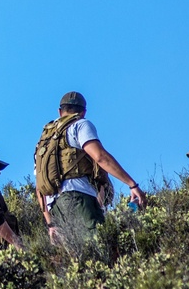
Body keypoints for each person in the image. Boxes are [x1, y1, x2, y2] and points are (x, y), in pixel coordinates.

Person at [36, 91, 146, 244]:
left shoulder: (45, 140)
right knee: (99, 248)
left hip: (56, 208)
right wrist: (132, 184)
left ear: (60, 111)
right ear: (83, 112)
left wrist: (50, 223)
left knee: (78, 259)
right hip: (79, 200)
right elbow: (100, 156)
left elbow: (39, 187)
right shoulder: (80, 124)